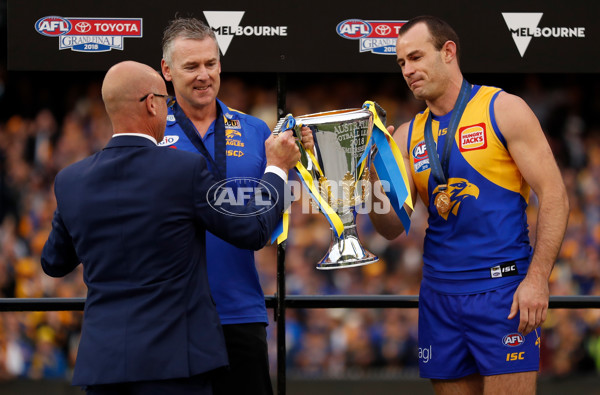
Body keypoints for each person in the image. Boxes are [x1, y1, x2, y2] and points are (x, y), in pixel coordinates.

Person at [40, 60, 300, 394]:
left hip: (103, 365)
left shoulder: (71, 181)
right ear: (151, 103)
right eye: (165, 101)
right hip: (176, 363)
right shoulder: (183, 170)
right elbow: (252, 231)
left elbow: (53, 262)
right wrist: (277, 168)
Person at [368, 16, 569, 394]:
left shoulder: (503, 109)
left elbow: (555, 194)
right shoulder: (408, 134)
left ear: (448, 52)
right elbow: (392, 227)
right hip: (439, 295)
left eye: (415, 57)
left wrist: (538, 278)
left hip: (504, 292)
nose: (408, 70)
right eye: (401, 63)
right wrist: (371, 174)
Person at [159, 17, 307, 395]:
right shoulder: (152, 132)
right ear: (167, 70)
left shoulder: (258, 131)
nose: (203, 75)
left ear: (220, 64)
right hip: (169, 316)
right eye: (191, 66)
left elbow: (274, 211)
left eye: (210, 63)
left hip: (240, 313)